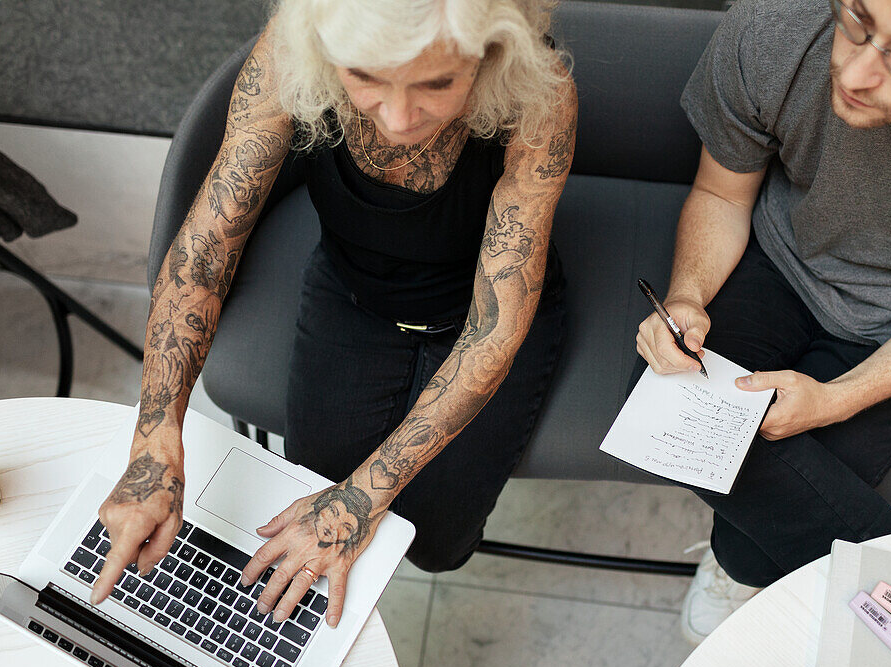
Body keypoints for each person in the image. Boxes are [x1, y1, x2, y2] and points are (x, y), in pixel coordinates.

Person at [90, 0, 577, 629]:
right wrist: (155, 441)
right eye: (367, 78)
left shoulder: (539, 94)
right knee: (307, 495)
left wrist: (363, 501)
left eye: (437, 83)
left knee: (435, 536)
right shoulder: (290, 54)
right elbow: (208, 246)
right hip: (355, 293)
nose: (401, 118)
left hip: (484, 310)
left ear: (488, 59)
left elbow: (497, 328)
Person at [636, 0, 891, 644]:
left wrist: (838, 400)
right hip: (776, 260)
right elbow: (721, 193)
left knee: (752, 550)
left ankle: (752, 562)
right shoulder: (778, 24)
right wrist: (686, 298)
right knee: (660, 404)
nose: (854, 70)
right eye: (857, 17)